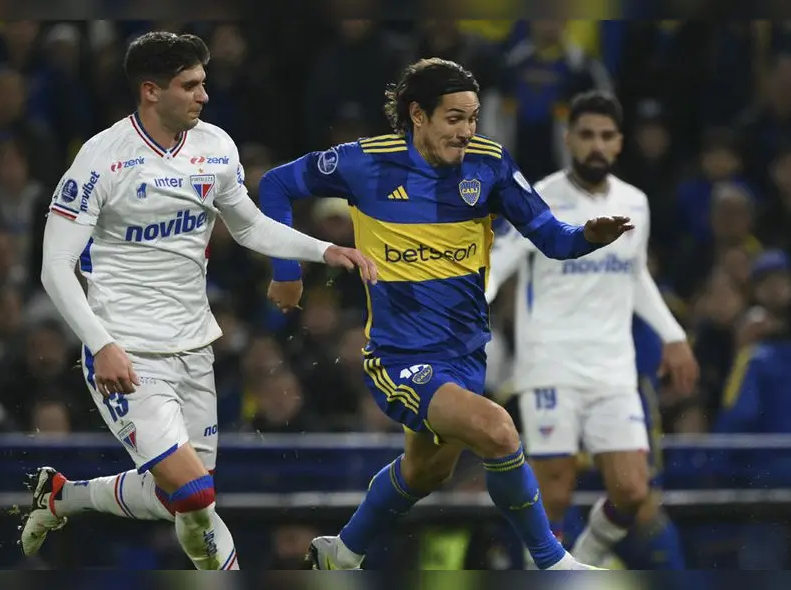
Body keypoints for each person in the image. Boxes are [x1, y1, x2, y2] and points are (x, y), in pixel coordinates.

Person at [21, 31, 376, 570]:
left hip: (194, 346)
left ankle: (62, 497)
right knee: (193, 492)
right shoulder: (101, 159)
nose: (203, 95)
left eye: (203, 83)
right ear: (150, 90)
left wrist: (324, 250)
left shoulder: (215, 147)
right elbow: (54, 267)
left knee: (184, 503)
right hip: (128, 352)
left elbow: (250, 226)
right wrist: (101, 343)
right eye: (189, 85)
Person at [260, 57, 632, 570]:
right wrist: (287, 269)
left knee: (425, 472)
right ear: (418, 115)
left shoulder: (490, 164)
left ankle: (342, 553)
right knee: (499, 431)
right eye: (454, 119)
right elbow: (276, 184)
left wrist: (587, 237)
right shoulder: (366, 163)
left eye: (473, 118)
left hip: (466, 356)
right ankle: (554, 564)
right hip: (400, 357)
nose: (467, 131)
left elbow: (551, 238)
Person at [484, 91, 698, 569]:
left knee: (633, 490)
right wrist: (474, 299)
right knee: (554, 491)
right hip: (550, 364)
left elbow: (634, 274)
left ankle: (582, 560)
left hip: (613, 369)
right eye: (586, 135)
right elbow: (499, 262)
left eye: (606, 136)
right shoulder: (538, 198)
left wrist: (673, 334)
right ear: (569, 139)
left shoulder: (635, 203)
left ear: (619, 142)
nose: (596, 145)